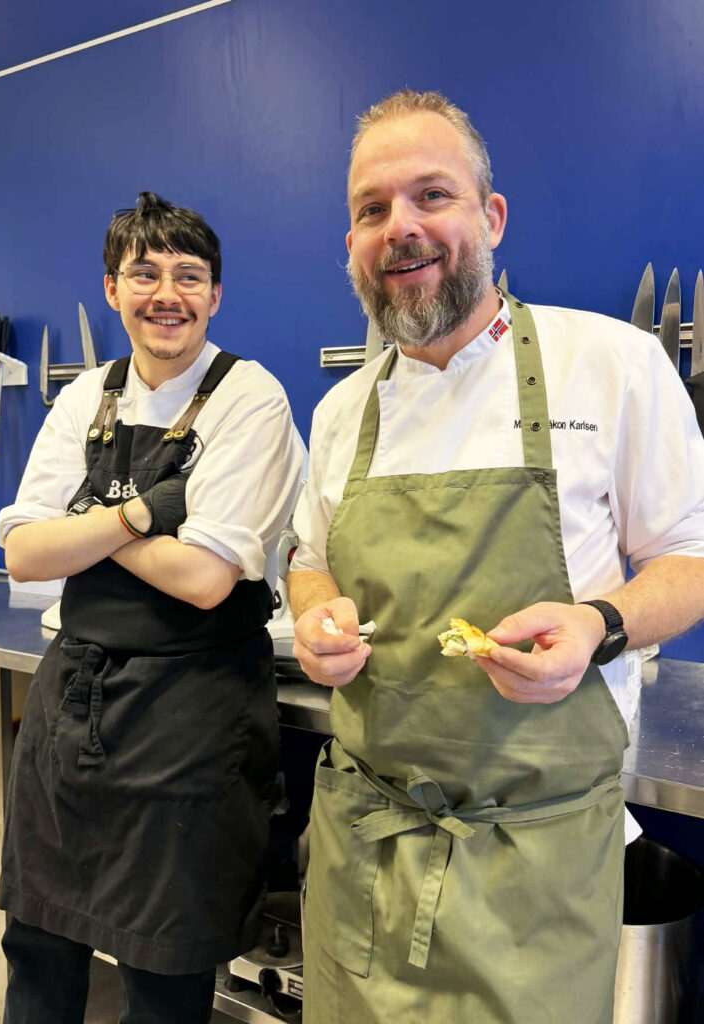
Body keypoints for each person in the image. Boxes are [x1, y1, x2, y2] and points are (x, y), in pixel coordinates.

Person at [288, 90, 704, 1023]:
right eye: (371, 209)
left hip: (535, 867)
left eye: (431, 195)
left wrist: (600, 625)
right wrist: (314, 614)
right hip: (367, 852)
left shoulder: (614, 364)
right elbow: (306, 559)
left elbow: (689, 558)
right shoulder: (340, 412)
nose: (401, 228)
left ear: (491, 216)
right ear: (350, 241)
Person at [0, 191, 304, 1023]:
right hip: (74, 703)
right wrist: (142, 512)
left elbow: (205, 578)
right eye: (144, 273)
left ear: (214, 294)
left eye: (188, 276)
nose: (166, 293)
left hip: (189, 712)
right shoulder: (83, 396)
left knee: (163, 967)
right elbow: (21, 552)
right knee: (37, 940)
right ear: (111, 289)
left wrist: (86, 526)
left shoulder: (250, 399)